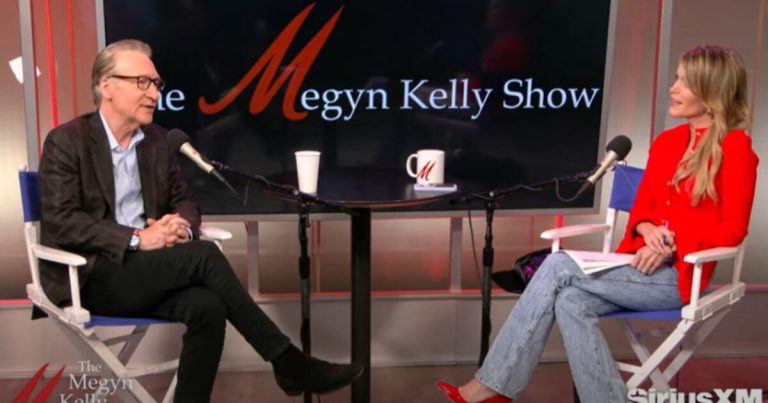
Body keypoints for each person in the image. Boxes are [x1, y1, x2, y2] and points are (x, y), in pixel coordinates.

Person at [37, 39, 362, 402]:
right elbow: (62, 221)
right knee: (205, 256)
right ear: (107, 86)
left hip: (145, 270)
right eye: (142, 82)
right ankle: (287, 361)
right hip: (91, 275)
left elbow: (185, 200)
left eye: (156, 84)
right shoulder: (67, 141)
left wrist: (180, 226)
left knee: (208, 307)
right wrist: (138, 237)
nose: (154, 93)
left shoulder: (157, 141)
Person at [437, 44, 759, 403]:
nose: (673, 88)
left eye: (684, 82)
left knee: (556, 265)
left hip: (680, 278)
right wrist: (648, 230)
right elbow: (643, 209)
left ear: (711, 92)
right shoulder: (667, 142)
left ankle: (492, 387)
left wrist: (672, 244)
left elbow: (734, 228)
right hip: (635, 265)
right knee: (571, 301)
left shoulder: (737, 149)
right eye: (675, 79)